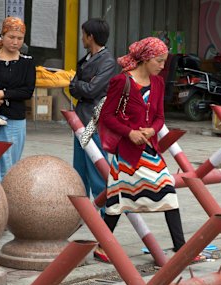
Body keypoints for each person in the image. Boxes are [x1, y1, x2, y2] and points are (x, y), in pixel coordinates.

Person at [95, 37, 189, 263]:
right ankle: (101, 247)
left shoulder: (158, 83)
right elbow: (107, 116)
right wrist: (130, 133)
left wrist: (151, 130)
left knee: (166, 190)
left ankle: (181, 247)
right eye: (159, 60)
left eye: (164, 61)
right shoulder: (121, 81)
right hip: (127, 153)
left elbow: (159, 117)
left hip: (148, 150)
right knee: (117, 202)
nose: (162, 66)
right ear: (146, 59)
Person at [0, 17, 36, 182]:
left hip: (14, 121)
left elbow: (27, 91)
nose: (15, 42)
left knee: (8, 169)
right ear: (2, 36)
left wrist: (1, 94)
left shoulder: (27, 62)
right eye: (11, 37)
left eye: (19, 38)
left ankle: (6, 206)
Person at [69, 18, 116, 208]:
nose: (82, 39)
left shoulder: (108, 61)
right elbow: (75, 88)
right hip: (81, 120)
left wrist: (78, 85)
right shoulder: (87, 58)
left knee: (97, 170)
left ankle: (105, 214)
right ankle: (80, 212)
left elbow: (90, 90)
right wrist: (80, 85)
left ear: (91, 37)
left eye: (83, 35)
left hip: (94, 123)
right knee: (79, 171)